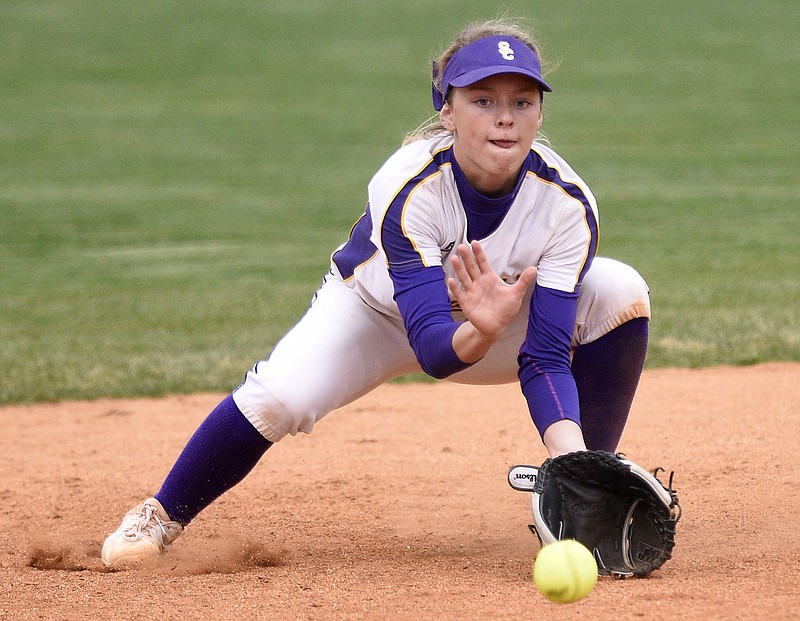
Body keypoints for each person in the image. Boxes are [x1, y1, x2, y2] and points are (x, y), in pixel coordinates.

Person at [101, 19, 651, 567]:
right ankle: (160, 513)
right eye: (483, 100)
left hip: (500, 324)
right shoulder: (412, 187)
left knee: (619, 290)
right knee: (280, 399)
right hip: (372, 316)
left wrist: (569, 458)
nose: (505, 116)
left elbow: (547, 356)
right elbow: (435, 349)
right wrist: (479, 328)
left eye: (523, 101)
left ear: (539, 113)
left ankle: (585, 490)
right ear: (448, 111)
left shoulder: (566, 204)